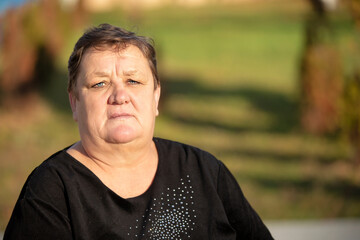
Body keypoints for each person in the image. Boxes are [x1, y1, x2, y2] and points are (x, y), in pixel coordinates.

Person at [4, 23, 273, 240]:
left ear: (156, 96)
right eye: (99, 84)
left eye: (133, 81)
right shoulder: (51, 192)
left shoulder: (205, 172)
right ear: (75, 102)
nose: (120, 95)